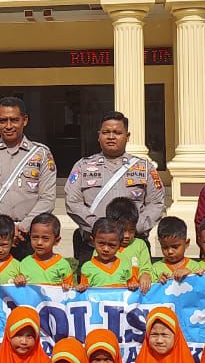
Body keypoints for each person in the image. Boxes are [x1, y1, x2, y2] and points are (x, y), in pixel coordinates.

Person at [64, 111, 167, 262]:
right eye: (106, 132)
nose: (111, 136)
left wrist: (133, 228)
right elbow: (73, 202)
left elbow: (156, 203)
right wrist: (99, 228)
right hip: (95, 245)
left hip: (133, 244)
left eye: (117, 132)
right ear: (99, 136)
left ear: (127, 136)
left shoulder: (145, 168)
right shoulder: (82, 166)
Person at [0, 96, 57, 259]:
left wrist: (23, 227)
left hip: (28, 237)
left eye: (14, 120)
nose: (8, 126)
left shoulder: (41, 154)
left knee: (29, 283)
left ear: (25, 120)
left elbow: (47, 199)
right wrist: (1, 229)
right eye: (3, 120)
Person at [77, 220, 140, 290]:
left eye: (112, 245)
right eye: (101, 243)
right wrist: (81, 287)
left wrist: (133, 285)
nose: (106, 249)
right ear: (93, 241)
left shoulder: (125, 266)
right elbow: (84, 290)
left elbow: (132, 284)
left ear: (119, 245)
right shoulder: (87, 268)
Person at [15, 213, 74, 287]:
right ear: (30, 237)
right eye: (35, 237)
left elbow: (70, 292)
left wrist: (67, 287)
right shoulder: (24, 263)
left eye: (45, 238)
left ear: (57, 240)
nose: (39, 242)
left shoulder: (63, 265)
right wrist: (18, 281)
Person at [107, 198, 154, 284]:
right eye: (122, 230)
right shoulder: (105, 246)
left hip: (135, 294)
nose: (127, 235)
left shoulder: (140, 245)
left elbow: (146, 268)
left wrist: (145, 275)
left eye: (131, 230)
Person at [153, 217, 195, 282]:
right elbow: (151, 290)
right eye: (165, 247)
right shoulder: (155, 268)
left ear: (186, 243)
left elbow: (202, 287)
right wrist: (158, 284)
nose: (170, 252)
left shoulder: (195, 267)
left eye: (175, 247)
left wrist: (191, 275)